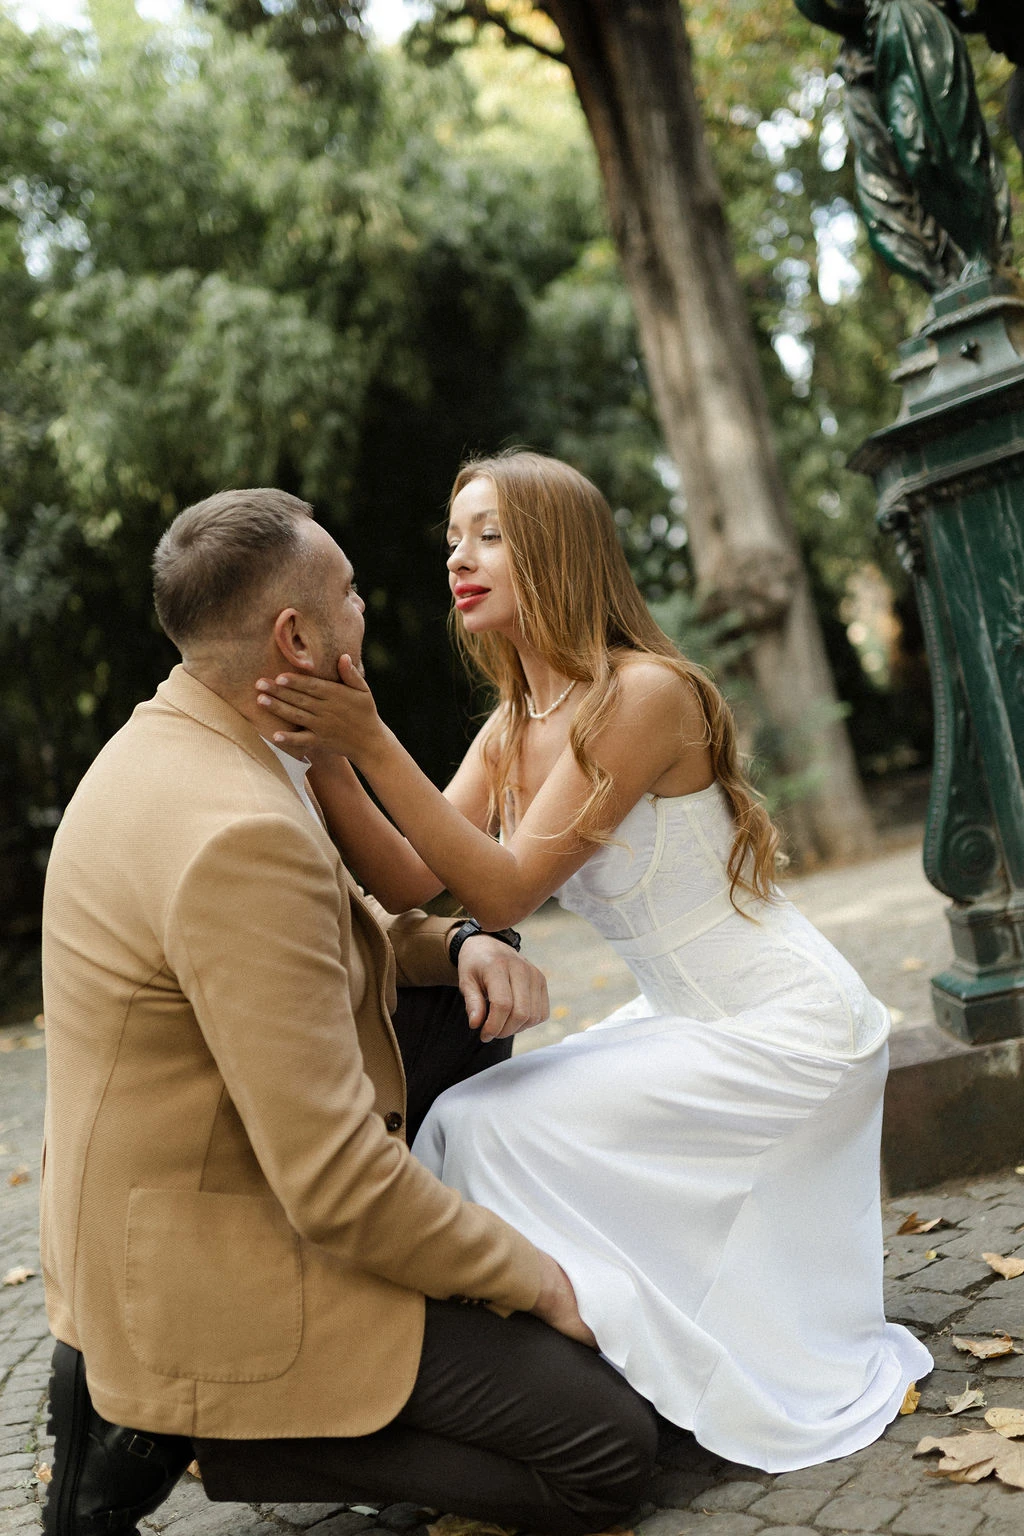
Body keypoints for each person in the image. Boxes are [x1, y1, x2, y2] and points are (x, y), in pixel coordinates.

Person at [255, 450, 935, 1476]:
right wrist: (329, 759)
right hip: (684, 1019)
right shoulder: (511, 728)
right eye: (453, 538)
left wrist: (372, 736)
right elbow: (409, 880)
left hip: (789, 1027)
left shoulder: (644, 694)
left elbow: (501, 894)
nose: (459, 559)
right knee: (470, 1122)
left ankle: (588, 1376)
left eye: (490, 536)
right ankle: (571, 1372)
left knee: (484, 1126)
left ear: (558, 553)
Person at [38, 487, 660, 1536]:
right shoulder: (239, 833)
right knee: (608, 1451)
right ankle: (212, 1427)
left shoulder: (179, 744)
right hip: (219, 1258)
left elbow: (335, 923)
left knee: (463, 1001)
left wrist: (457, 944)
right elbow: (335, 1182)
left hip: (170, 1198)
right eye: (352, 592)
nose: (365, 609)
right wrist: (540, 1287)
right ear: (296, 635)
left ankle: (356, 1327)